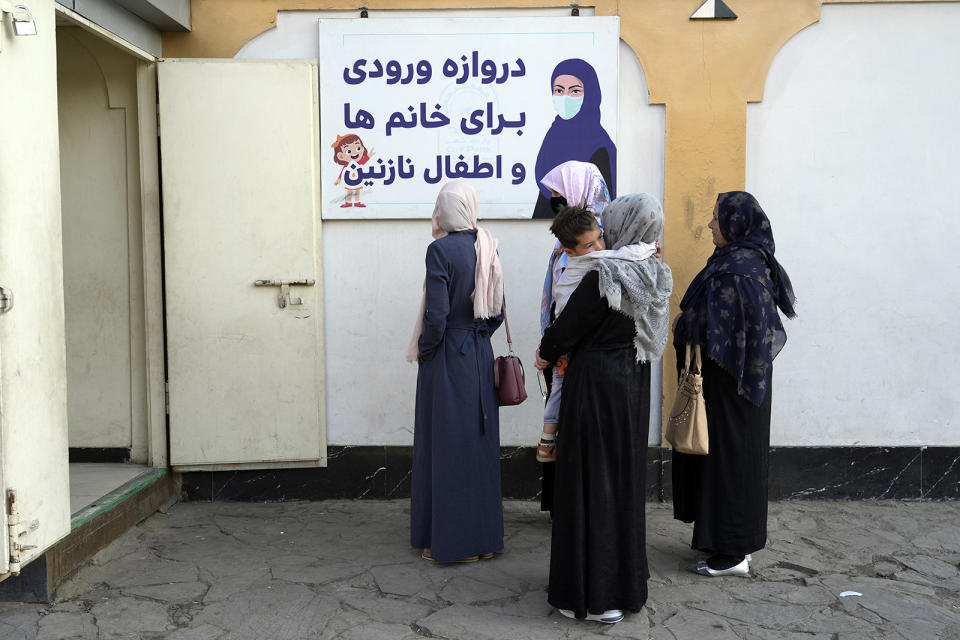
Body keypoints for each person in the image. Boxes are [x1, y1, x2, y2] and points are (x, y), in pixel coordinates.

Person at [536, 194, 673, 623]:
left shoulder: (604, 274)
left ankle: (594, 598)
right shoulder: (653, 269)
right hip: (632, 384)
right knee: (622, 483)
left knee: (588, 483)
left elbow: (564, 331)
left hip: (595, 386)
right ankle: (623, 588)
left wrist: (545, 352)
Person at [671, 191, 796, 577]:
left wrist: (686, 325)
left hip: (734, 386)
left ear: (735, 224)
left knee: (732, 464)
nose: (710, 225)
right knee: (723, 463)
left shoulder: (740, 271)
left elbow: (731, 328)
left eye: (715, 218)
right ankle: (721, 540)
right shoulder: (738, 262)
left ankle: (732, 554)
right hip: (731, 385)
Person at [407, 180, 505, 564]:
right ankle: (482, 541)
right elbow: (498, 309)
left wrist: (428, 351)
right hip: (479, 353)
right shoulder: (488, 246)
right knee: (477, 444)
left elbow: (436, 315)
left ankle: (453, 545)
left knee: (446, 445)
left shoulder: (440, 250)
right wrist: (477, 337)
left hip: (448, 356)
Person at [535, 205, 657, 463]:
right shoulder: (595, 265)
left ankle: (547, 441)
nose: (600, 247)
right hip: (567, 338)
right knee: (557, 385)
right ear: (571, 252)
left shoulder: (591, 258)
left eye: (600, 237)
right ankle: (546, 442)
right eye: (590, 245)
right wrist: (649, 248)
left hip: (568, 340)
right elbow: (626, 254)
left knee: (558, 385)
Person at [532, 59, 617, 219]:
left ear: (590, 94)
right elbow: (545, 195)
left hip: (584, 234)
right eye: (558, 90)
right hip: (556, 231)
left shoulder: (599, 146)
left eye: (575, 91)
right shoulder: (553, 136)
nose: (565, 97)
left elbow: (603, 207)